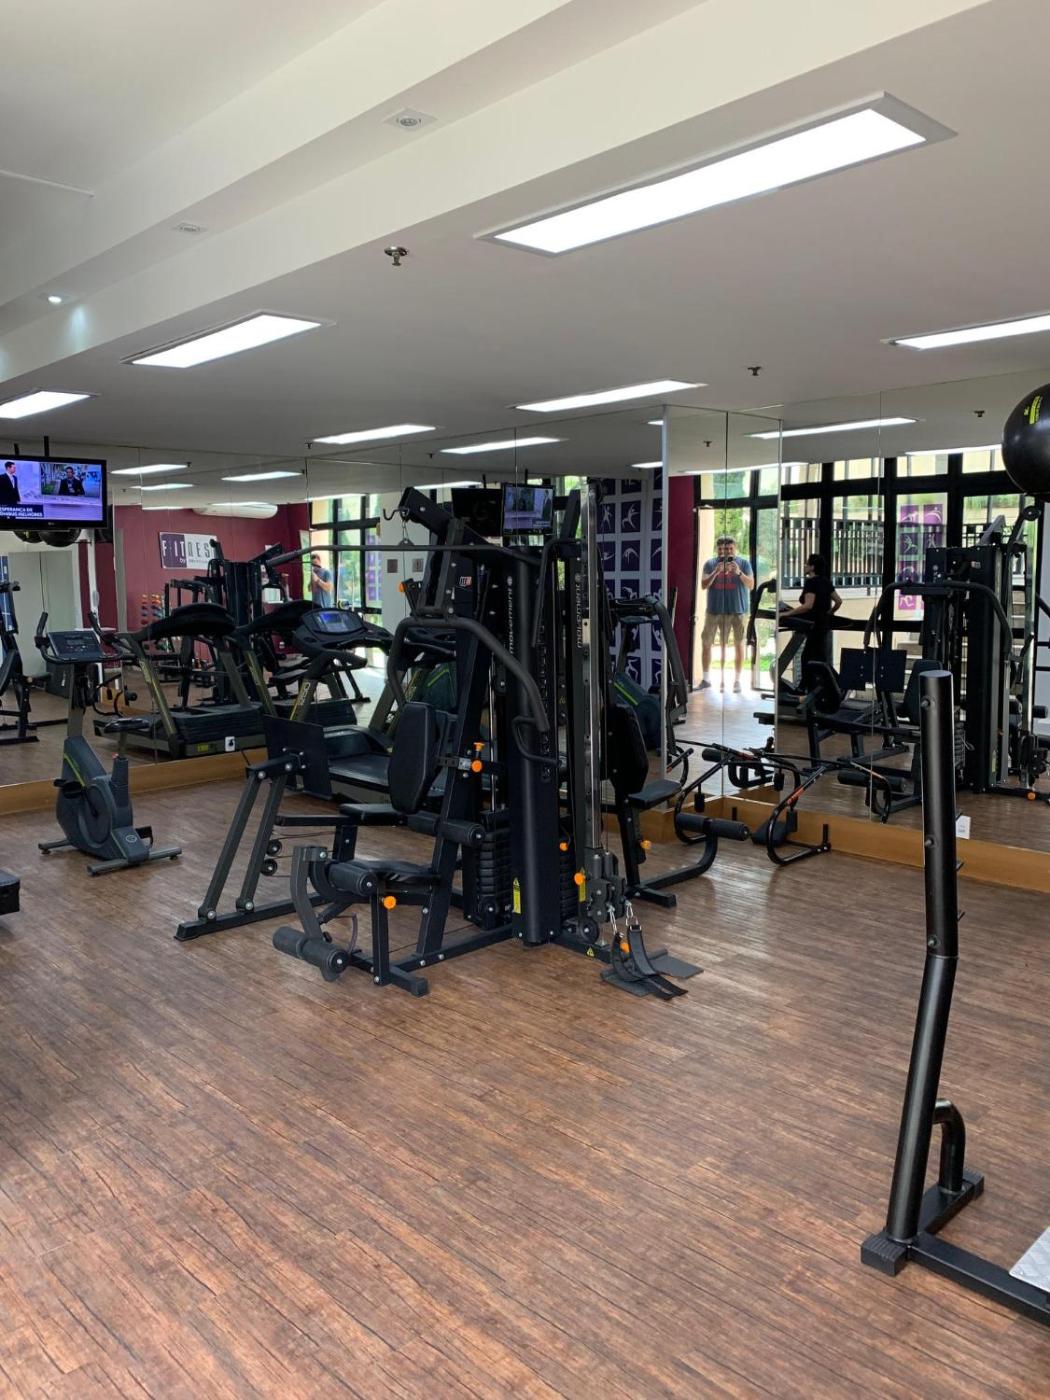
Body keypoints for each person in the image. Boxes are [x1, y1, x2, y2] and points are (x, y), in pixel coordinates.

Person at [699, 534, 754, 692]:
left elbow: (751, 585)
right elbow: (703, 585)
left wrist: (739, 573)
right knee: (706, 644)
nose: (726, 552)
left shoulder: (744, 563)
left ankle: (737, 681)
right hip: (714, 611)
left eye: (729, 549)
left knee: (738, 645)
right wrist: (715, 572)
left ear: (735, 549)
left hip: (738, 611)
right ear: (717, 550)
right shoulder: (710, 564)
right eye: (722, 549)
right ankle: (706, 679)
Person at [779, 553, 841, 677]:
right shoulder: (826, 582)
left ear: (812, 567)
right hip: (823, 624)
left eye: (807, 564)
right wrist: (830, 613)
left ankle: (808, 684)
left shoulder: (811, 582)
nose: (805, 566)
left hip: (813, 625)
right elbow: (838, 601)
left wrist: (787, 613)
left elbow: (808, 606)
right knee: (819, 657)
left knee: (807, 658)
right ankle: (826, 682)